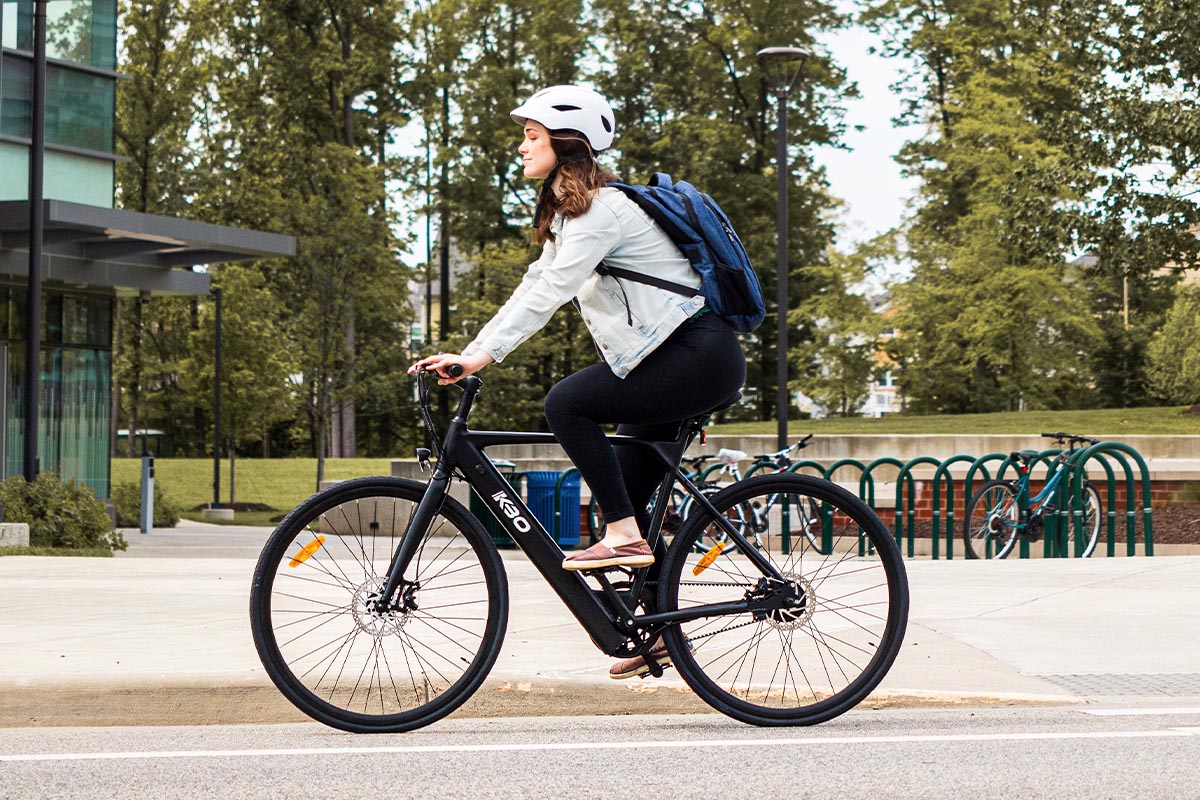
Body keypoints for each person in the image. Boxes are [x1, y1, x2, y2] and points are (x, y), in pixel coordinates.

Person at [409, 85, 746, 676]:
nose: (521, 147)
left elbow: (549, 293)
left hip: (697, 355)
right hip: (667, 361)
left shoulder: (602, 211)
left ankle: (628, 540)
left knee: (567, 403)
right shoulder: (577, 216)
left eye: (532, 136)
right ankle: (654, 629)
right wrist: (471, 351)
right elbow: (532, 284)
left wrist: (480, 358)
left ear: (566, 144)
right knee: (622, 505)